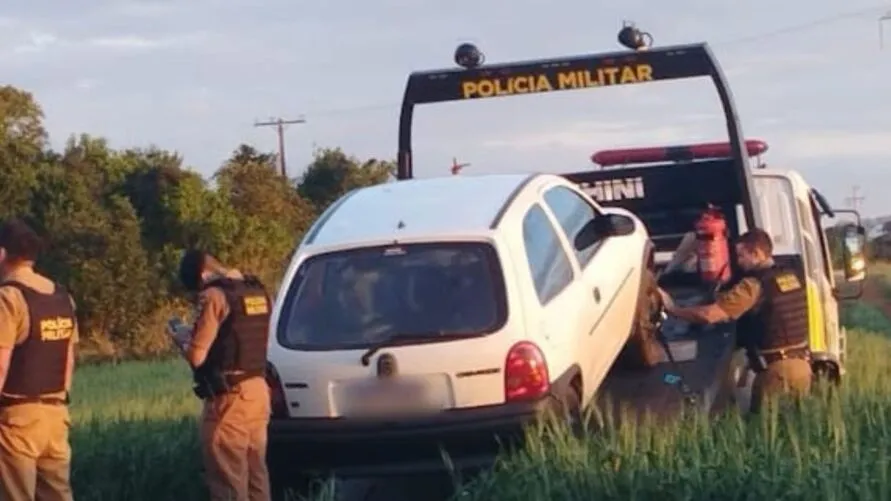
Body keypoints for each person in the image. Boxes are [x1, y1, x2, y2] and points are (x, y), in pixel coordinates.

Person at [658, 228, 812, 413]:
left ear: (756, 253)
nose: (738, 262)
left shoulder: (754, 285)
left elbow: (711, 315)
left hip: (777, 372)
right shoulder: (790, 276)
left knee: (761, 431)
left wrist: (673, 309)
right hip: (802, 367)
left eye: (741, 256)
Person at [173, 250, 272, 501]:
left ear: (200, 276)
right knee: (256, 474)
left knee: (227, 479)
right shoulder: (257, 291)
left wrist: (181, 340)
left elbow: (197, 356)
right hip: (258, 392)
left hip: (229, 400)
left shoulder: (214, 296)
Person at [0, 218, 78, 501]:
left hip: (17, 417)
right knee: (58, 495)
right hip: (56, 415)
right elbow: (68, 358)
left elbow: (1, 362)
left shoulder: (9, 297)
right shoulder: (62, 297)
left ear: (2, 254)